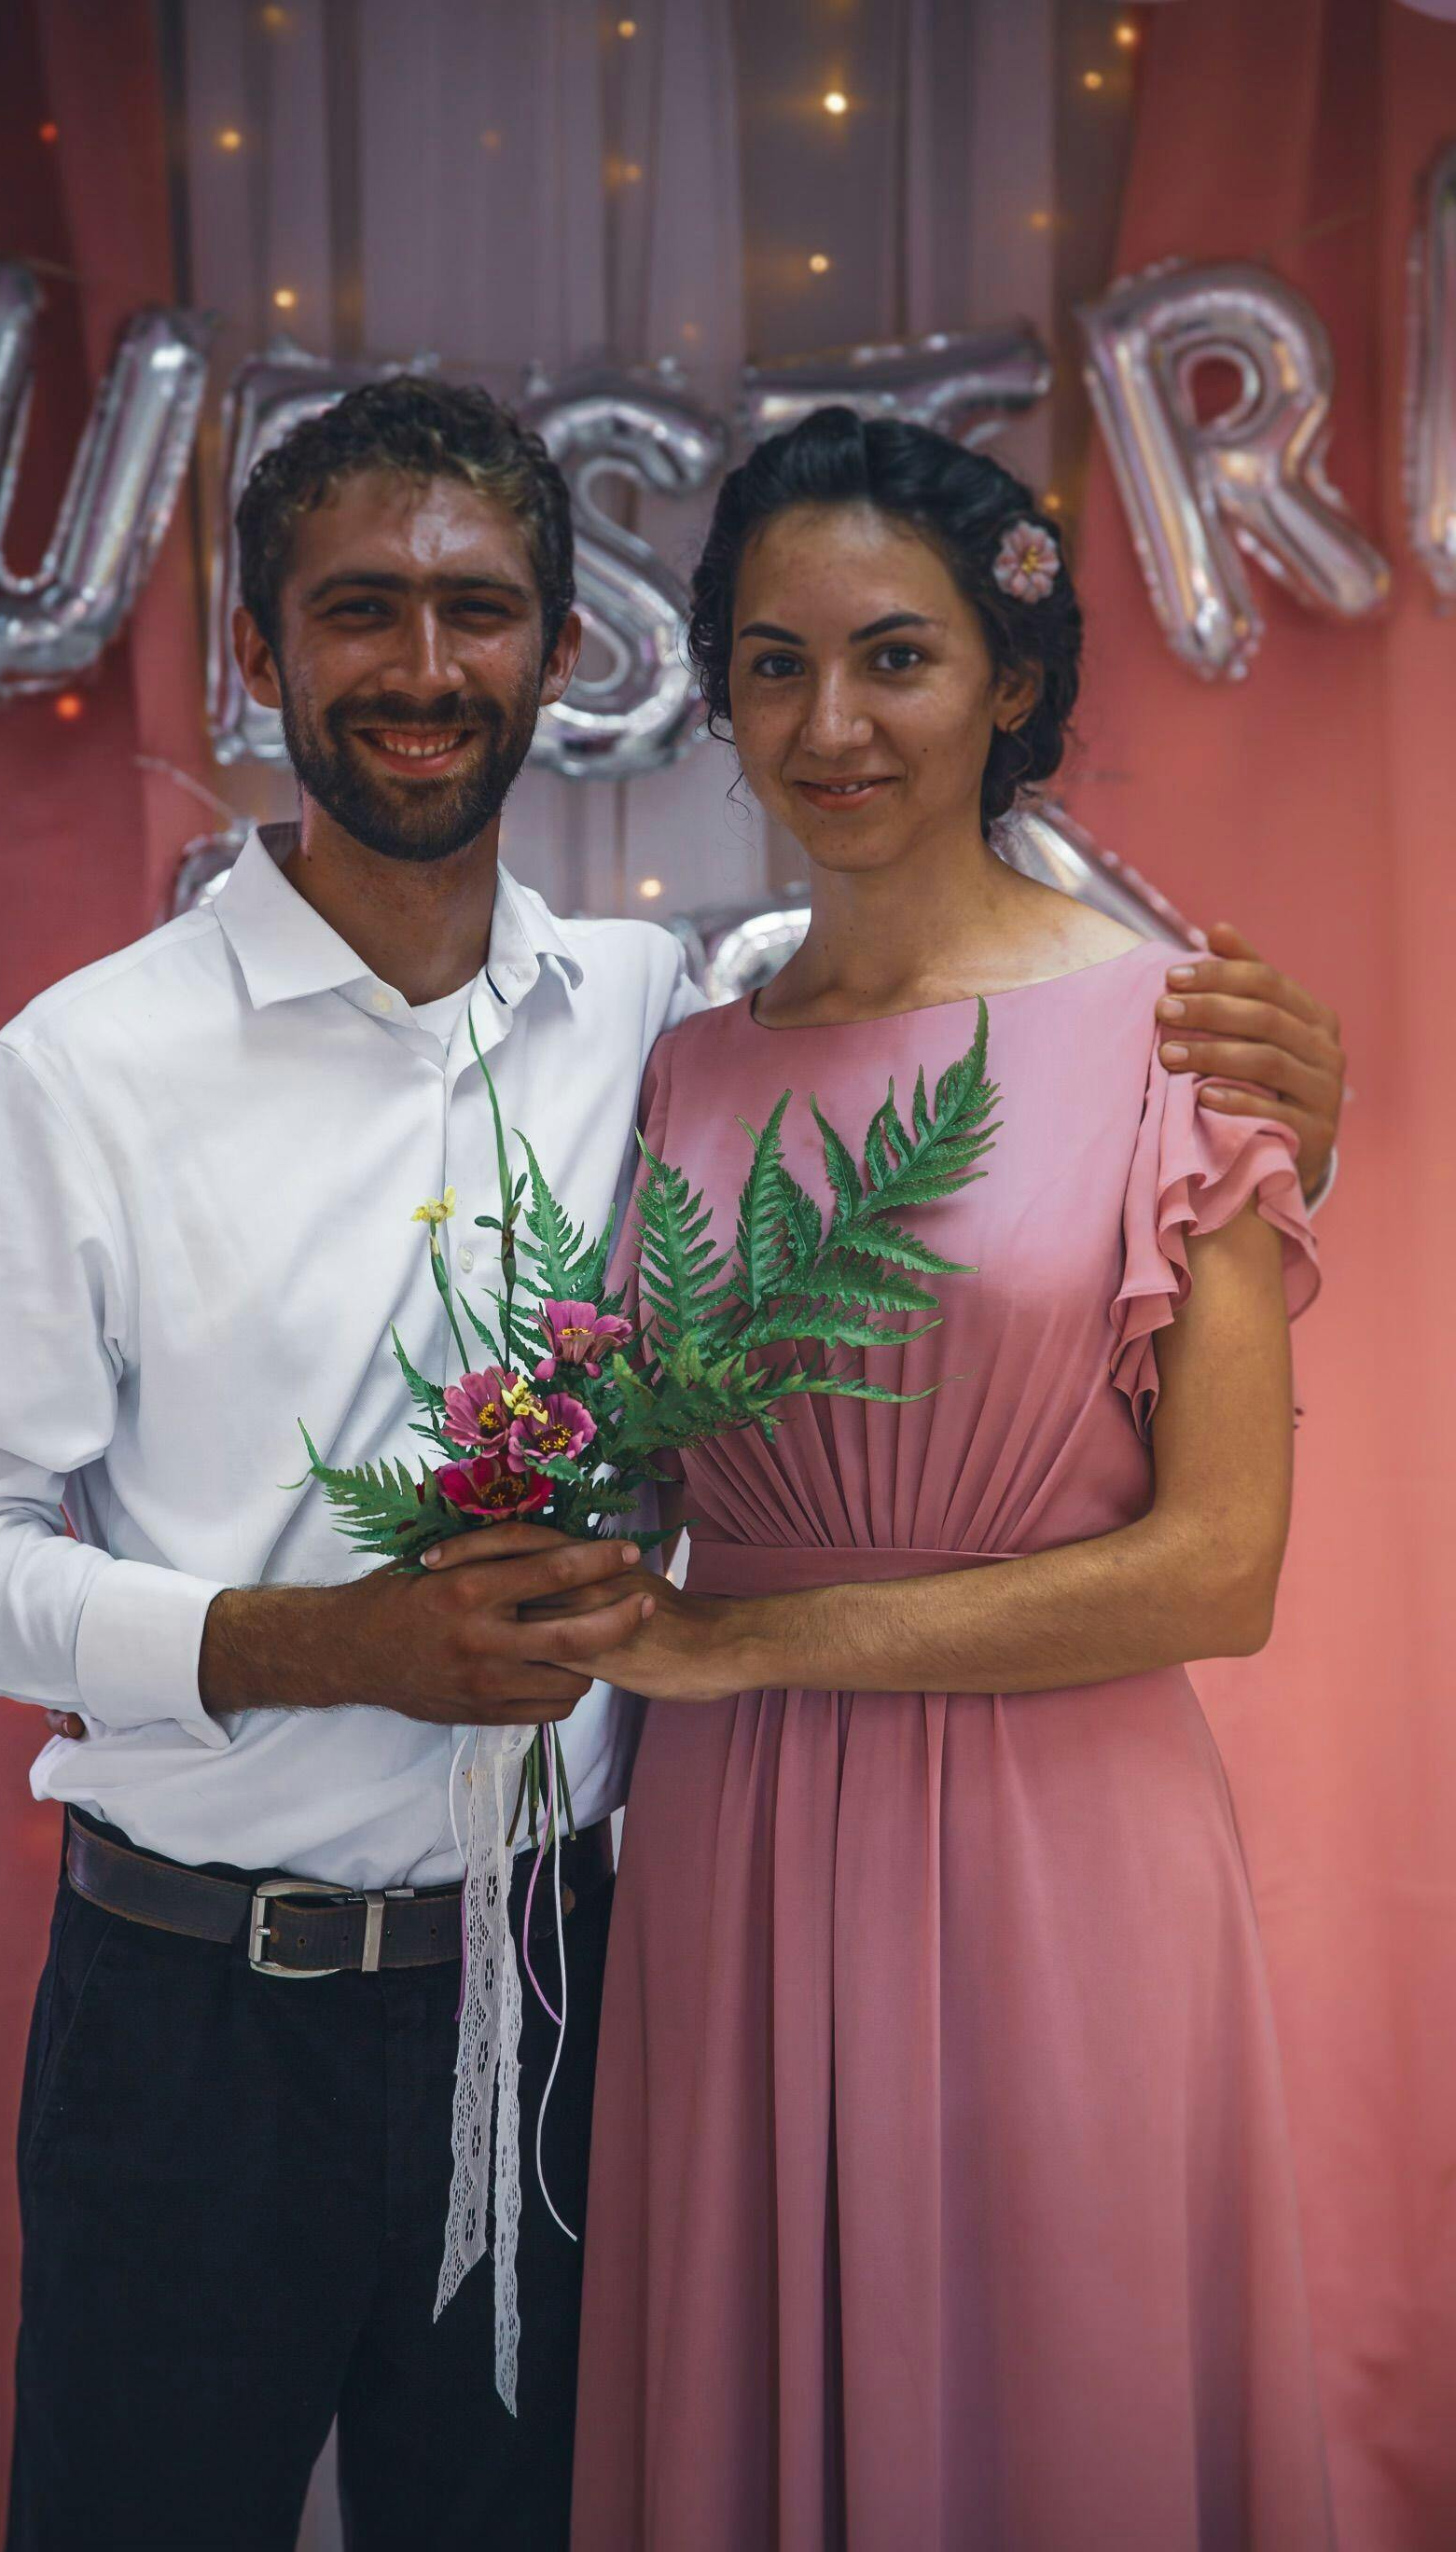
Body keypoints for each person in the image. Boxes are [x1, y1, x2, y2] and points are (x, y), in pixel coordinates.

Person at [0, 381, 1344, 2552]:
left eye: (477, 611)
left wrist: (1288, 1133)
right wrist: (315, 1642)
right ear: (258, 651)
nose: (424, 665)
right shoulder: (84, 1071)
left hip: (572, 1988)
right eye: (358, 611)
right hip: (204, 2017)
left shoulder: (644, 1019)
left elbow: (1007, 1218)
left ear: (569, 655)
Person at [490, 408, 1339, 2550]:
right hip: (736, 1853)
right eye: (774, 665)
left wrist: (733, 1643)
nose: (831, 725)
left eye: (896, 657)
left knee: (1057, 2411)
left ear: (1011, 681)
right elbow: (637, 1466)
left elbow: (1218, 1573)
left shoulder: (1182, 1038)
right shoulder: (687, 1065)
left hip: (1062, 1854)